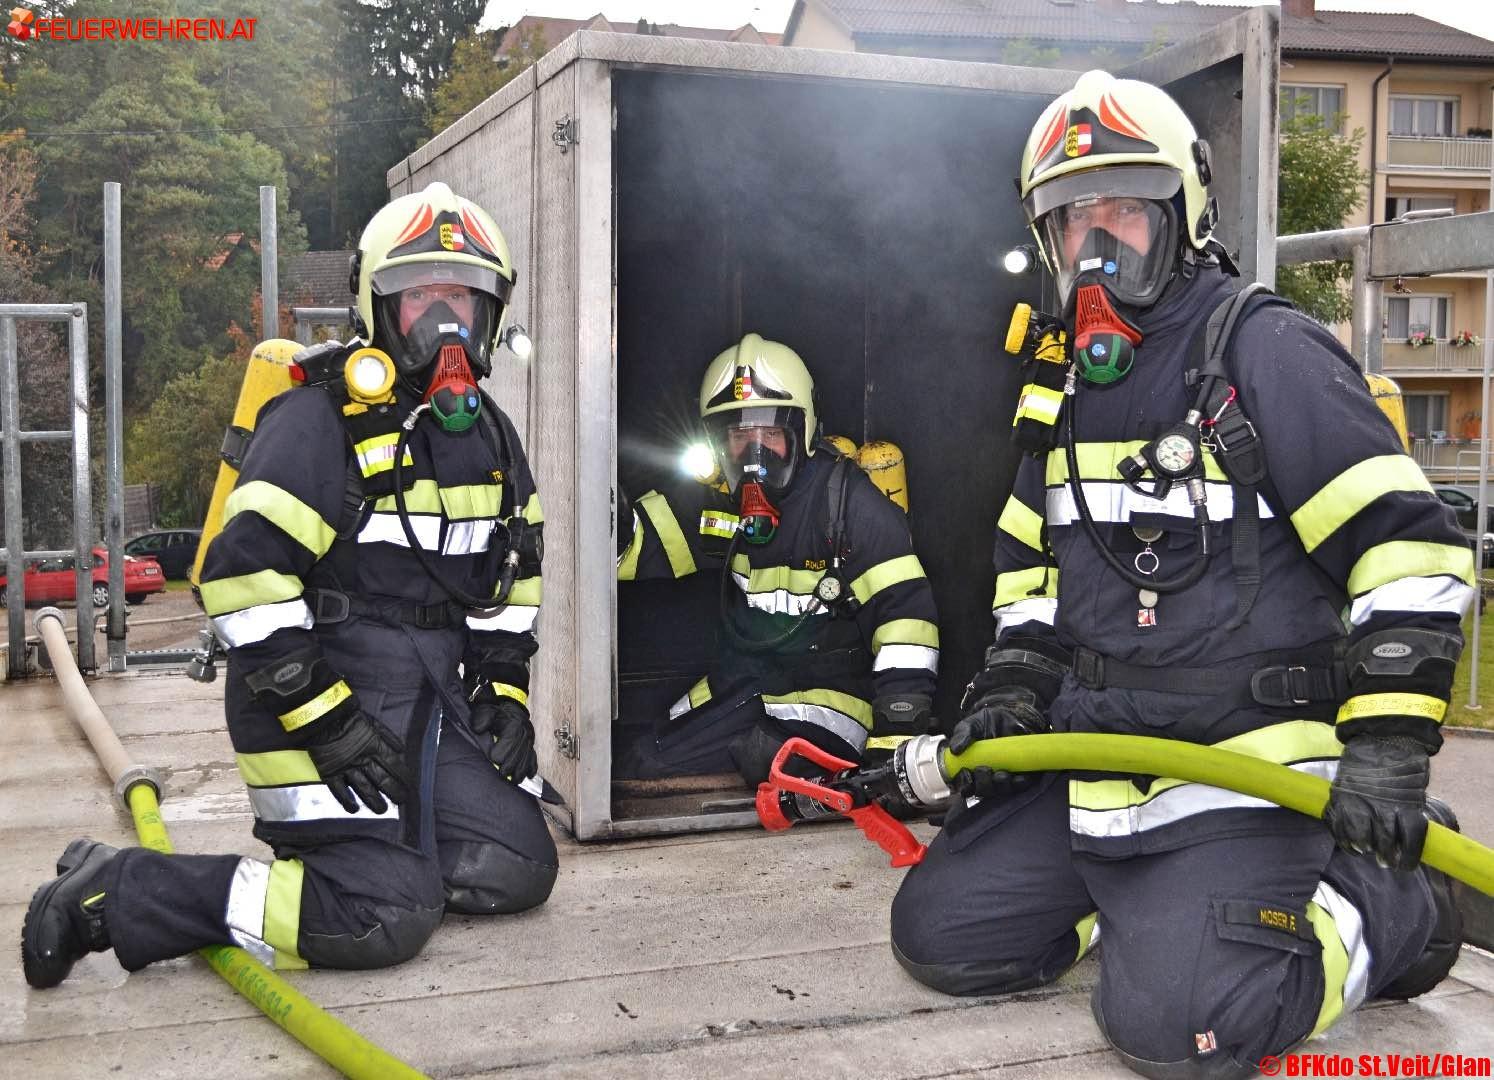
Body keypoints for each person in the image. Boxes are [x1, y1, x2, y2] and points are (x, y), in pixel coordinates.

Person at [888, 71, 1474, 1078]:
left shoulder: (1264, 350)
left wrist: (1385, 750)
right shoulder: (1067, 387)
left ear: (1184, 213)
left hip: (1244, 765)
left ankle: (1401, 897)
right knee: (943, 936)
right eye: (1074, 221)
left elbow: (1408, 547)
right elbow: (1031, 566)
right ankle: (1161, 922)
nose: (1098, 243)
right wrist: (1020, 685)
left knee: (1186, 1032)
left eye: (1124, 209)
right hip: (1104, 758)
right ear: (1047, 241)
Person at [22, 182, 557, 987]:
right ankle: (122, 889)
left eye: (463, 298)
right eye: (422, 299)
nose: (446, 323)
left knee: (519, 865)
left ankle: (383, 856)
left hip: (424, 703)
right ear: (380, 309)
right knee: (384, 917)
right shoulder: (317, 419)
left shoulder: (489, 435)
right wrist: (326, 718)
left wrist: (505, 694)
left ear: (491, 315)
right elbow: (239, 576)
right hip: (309, 699)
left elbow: (515, 575)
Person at [615, 332, 940, 784]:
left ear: (802, 432)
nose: (755, 453)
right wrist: (609, 519)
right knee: (643, 756)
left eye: (771, 433)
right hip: (754, 680)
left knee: (763, 760)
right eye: (739, 434)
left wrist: (897, 738)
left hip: (835, 695)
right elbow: (645, 545)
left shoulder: (849, 508)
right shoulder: (722, 503)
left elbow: (905, 618)